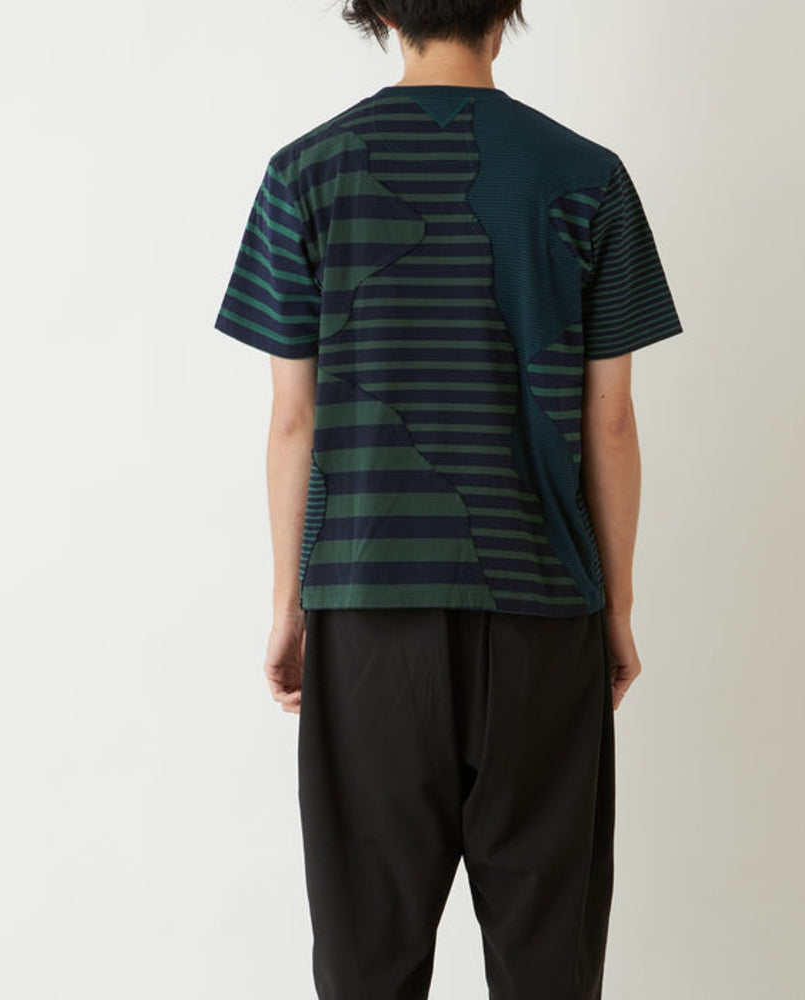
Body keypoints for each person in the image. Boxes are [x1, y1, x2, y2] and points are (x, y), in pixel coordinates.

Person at [213, 2, 684, 996]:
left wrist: (287, 606)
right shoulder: (586, 176)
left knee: (367, 963)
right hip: (542, 614)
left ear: (380, 11)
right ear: (507, 8)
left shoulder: (305, 174)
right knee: (548, 963)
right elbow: (608, 421)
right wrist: (617, 608)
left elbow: (293, 420)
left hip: (365, 614)